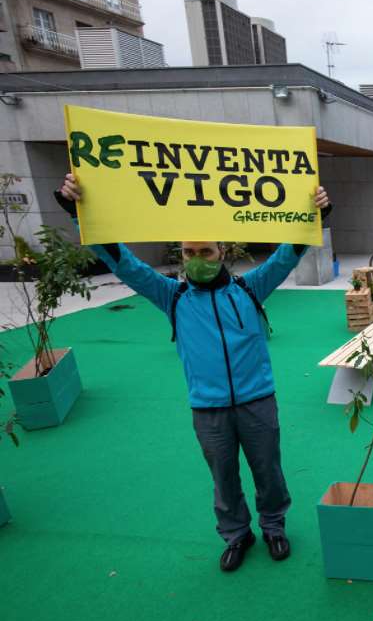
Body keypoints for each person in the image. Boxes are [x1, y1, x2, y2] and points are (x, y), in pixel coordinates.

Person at [57, 174, 332, 573]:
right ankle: (237, 536)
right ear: (181, 257)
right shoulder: (173, 296)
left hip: (257, 402)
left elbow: (289, 254)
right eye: (189, 253)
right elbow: (124, 262)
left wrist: (317, 214)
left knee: (268, 472)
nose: (197, 259)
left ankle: (273, 527)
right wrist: (79, 213)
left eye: (206, 250)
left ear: (223, 252)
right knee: (224, 479)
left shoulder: (250, 288)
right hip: (208, 409)